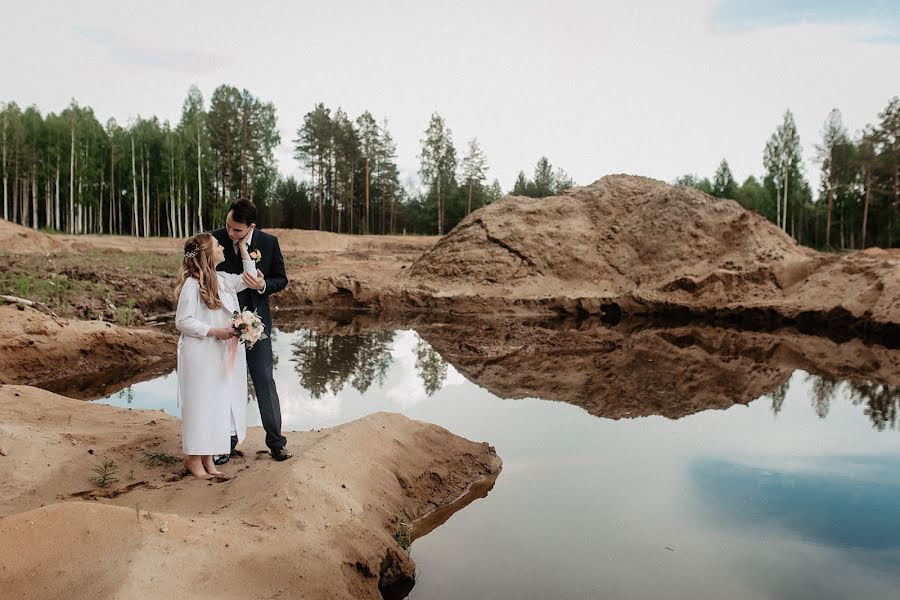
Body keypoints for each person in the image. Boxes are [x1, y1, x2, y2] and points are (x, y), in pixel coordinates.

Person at [211, 198, 292, 462]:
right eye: (228, 226)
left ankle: (277, 442)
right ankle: (226, 442)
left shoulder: (269, 243)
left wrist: (262, 285)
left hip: (257, 325)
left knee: (264, 380)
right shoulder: (214, 240)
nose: (230, 233)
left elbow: (281, 279)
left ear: (251, 227)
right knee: (226, 383)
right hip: (223, 326)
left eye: (236, 230)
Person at [174, 231, 256, 479]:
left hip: (217, 353)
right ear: (208, 253)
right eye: (219, 245)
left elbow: (250, 277)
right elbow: (182, 321)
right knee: (200, 405)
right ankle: (193, 460)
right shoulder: (192, 284)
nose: (222, 247)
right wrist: (215, 331)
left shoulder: (222, 280)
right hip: (199, 354)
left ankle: (208, 460)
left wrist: (244, 250)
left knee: (214, 405)